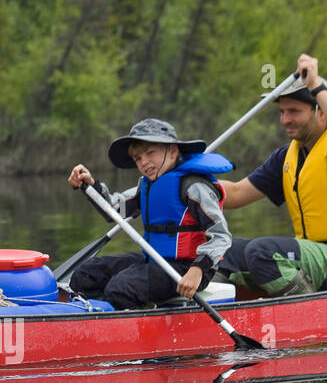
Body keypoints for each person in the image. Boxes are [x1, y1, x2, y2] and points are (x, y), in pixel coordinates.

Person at [218, 54, 327, 296]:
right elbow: (235, 194)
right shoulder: (286, 158)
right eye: (282, 112)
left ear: (322, 112)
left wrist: (314, 86)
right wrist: (187, 183)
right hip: (316, 259)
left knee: (263, 252)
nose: (284, 120)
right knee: (221, 250)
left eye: (294, 111)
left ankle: (308, 314)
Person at [66, 118, 232, 310]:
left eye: (150, 153)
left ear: (172, 150)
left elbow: (221, 236)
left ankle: (138, 323)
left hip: (189, 269)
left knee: (120, 288)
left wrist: (198, 269)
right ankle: (97, 316)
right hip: (155, 261)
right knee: (86, 274)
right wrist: (91, 186)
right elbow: (114, 211)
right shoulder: (146, 185)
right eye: (137, 158)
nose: (144, 162)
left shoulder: (194, 186)